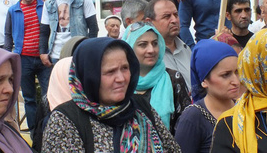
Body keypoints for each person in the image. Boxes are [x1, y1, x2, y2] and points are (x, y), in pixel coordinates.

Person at [42, 37, 180, 152]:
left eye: (125, 68)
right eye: (110, 71)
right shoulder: (65, 120)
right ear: (90, 77)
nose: (121, 78)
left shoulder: (141, 108)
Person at [123, 22, 191, 134]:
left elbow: (185, 126)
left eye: (155, 43)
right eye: (143, 44)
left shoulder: (173, 78)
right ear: (129, 47)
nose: (151, 50)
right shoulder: (122, 81)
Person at [175, 39, 240, 153]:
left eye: (237, 72)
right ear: (204, 81)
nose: (236, 81)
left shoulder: (243, 109)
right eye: (226, 75)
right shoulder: (193, 118)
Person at [4, 0, 51, 134]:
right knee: (29, 99)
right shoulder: (13, 10)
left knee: (48, 96)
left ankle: (49, 130)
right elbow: (8, 34)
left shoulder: (45, 6)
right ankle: (34, 132)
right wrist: (7, 57)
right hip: (23, 59)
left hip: (44, 59)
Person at [39, 0, 98, 66]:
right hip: (55, 55)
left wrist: (89, 50)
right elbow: (44, 31)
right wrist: (42, 52)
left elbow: (93, 27)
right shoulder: (48, 3)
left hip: (78, 53)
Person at [145, 0, 192, 90]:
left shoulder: (186, 49)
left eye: (176, 15)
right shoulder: (148, 55)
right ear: (149, 22)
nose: (174, 20)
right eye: (166, 16)